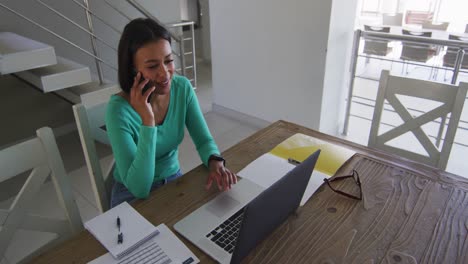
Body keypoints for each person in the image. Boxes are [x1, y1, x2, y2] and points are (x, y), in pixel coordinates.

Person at [106, 18, 237, 208]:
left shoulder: (182, 87)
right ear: (133, 69)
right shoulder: (117, 111)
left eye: (168, 61)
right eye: (152, 66)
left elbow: (203, 140)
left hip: (174, 182)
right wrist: (148, 122)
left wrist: (215, 161)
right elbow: (140, 188)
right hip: (131, 194)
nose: (165, 74)